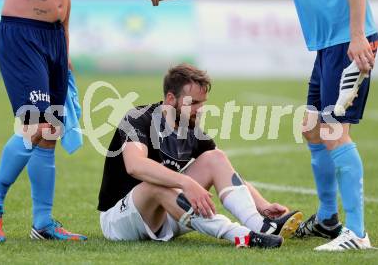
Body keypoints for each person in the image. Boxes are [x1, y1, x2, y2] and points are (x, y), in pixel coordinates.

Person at [158, 0, 378, 251]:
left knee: (333, 132)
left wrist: (358, 35)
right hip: (327, 46)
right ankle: (327, 219)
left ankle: (357, 233)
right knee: (312, 129)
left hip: (349, 41)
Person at [0, 0, 162, 242]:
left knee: (50, 132)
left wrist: (64, 44)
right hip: (22, 34)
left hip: (52, 37)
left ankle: (42, 223)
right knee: (36, 126)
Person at [98, 63, 303, 248]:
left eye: (202, 103)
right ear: (171, 99)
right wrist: (186, 183)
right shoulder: (137, 119)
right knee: (155, 185)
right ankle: (240, 235)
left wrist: (263, 205)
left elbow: (227, 171)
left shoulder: (191, 128)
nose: (200, 110)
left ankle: (261, 226)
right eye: (193, 103)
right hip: (119, 220)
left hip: (166, 213)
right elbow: (135, 166)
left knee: (216, 158)